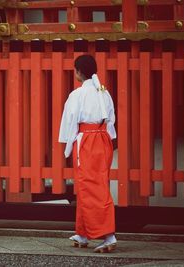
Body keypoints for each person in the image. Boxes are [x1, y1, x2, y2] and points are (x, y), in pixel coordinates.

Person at [58, 54, 117, 253]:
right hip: (102, 139)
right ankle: (83, 233)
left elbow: (70, 121)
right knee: (93, 184)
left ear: (78, 71)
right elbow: (111, 119)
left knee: (90, 187)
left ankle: (108, 235)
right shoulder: (103, 92)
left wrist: (67, 146)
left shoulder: (77, 95)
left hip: (87, 141)